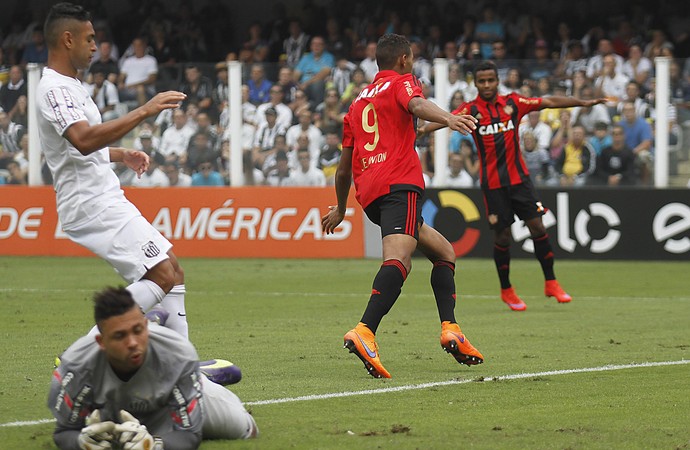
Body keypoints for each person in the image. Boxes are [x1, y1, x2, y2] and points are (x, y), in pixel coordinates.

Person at [321, 34, 483, 379]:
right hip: (401, 185)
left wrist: (339, 208)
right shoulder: (403, 83)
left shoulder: (357, 103)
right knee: (398, 260)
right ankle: (365, 330)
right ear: (404, 60)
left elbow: (345, 166)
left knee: (444, 252)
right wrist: (450, 119)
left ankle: (451, 328)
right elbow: (416, 105)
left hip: (372, 194)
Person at [36, 3, 191, 337]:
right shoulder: (55, 90)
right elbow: (82, 140)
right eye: (89, 39)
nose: (95, 47)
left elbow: (78, 149)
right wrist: (144, 111)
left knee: (172, 272)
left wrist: (121, 154)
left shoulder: (72, 86)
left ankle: (183, 366)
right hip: (91, 202)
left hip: (102, 196)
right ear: (67, 40)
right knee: (162, 274)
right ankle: (81, 355)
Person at [423, 61, 607, 311]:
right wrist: (422, 129)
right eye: (482, 81)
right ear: (475, 84)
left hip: (521, 181)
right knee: (503, 235)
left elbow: (548, 102)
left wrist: (582, 103)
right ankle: (507, 290)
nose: (487, 85)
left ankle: (551, 282)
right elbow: (447, 120)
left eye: (491, 80)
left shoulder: (513, 103)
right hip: (493, 186)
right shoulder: (472, 109)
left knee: (537, 226)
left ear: (497, 81)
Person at [47, 286, 257, 450]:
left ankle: (197, 378)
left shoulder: (178, 355)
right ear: (101, 342)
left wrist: (155, 446)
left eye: (138, 330)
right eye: (120, 335)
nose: (132, 343)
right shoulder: (75, 366)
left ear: (145, 328)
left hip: (169, 395)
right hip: (117, 406)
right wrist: (80, 443)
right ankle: (190, 373)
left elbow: (188, 435)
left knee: (244, 428)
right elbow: (64, 432)